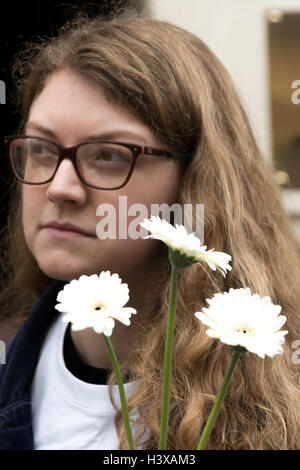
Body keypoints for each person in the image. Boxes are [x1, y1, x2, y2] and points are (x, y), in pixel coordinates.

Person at [0, 11, 299, 451]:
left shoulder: (279, 392)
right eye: (42, 149)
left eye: (108, 155)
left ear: (197, 181)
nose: (60, 188)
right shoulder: (13, 368)